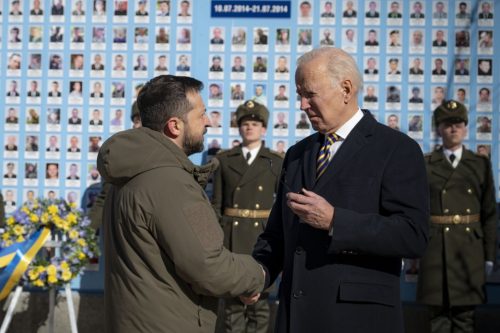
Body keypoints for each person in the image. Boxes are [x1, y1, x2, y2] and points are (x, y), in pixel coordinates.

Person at [247, 47, 429, 332]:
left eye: (310, 94)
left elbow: (412, 235)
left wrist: (335, 221)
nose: (303, 105)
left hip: (358, 319)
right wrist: (258, 275)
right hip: (297, 318)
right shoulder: (298, 154)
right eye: (299, 96)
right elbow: (278, 234)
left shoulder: (396, 149)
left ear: (345, 88)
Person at [96, 75, 265, 332]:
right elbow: (208, 266)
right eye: (201, 115)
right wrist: (256, 275)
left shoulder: (130, 173)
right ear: (175, 126)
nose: (208, 122)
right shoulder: (172, 183)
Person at [417, 100, 497, 333]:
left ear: (465, 127)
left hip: (469, 251)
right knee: (437, 319)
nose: (454, 129)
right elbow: (418, 211)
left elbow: (489, 214)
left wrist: (489, 255)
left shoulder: (480, 164)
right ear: (438, 129)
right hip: (435, 250)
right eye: (447, 124)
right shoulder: (426, 164)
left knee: (465, 318)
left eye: (459, 123)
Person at [212, 100, 283, 333]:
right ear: (239, 128)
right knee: (232, 306)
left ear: (264, 129)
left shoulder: (275, 161)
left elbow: (282, 207)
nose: (249, 128)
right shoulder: (224, 160)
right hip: (231, 237)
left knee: (260, 306)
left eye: (255, 123)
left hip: (261, 237)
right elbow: (217, 205)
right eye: (245, 124)